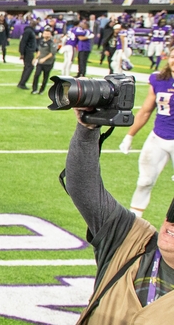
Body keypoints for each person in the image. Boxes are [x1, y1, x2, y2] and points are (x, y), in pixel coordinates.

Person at [65, 110, 174, 323]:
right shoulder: (131, 239)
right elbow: (83, 189)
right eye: (172, 213)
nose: (171, 223)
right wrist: (88, 128)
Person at [119, 48, 174, 218]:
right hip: (158, 136)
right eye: (173, 56)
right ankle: (134, 220)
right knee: (144, 181)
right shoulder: (159, 79)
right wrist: (130, 135)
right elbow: (145, 111)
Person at [31, 26, 57, 95]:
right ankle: (34, 89)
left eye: (48, 33)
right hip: (40, 62)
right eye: (45, 33)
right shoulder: (41, 41)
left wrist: (44, 59)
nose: (46, 35)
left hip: (48, 63)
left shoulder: (51, 43)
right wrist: (35, 58)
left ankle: (41, 90)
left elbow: (52, 53)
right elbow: (39, 51)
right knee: (36, 75)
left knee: (45, 77)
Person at [17, 21, 37, 90]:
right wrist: (22, 53)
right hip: (28, 52)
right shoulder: (29, 31)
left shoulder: (29, 31)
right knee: (29, 67)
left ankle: (22, 82)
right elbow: (23, 42)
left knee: (27, 67)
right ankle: (22, 83)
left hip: (29, 51)